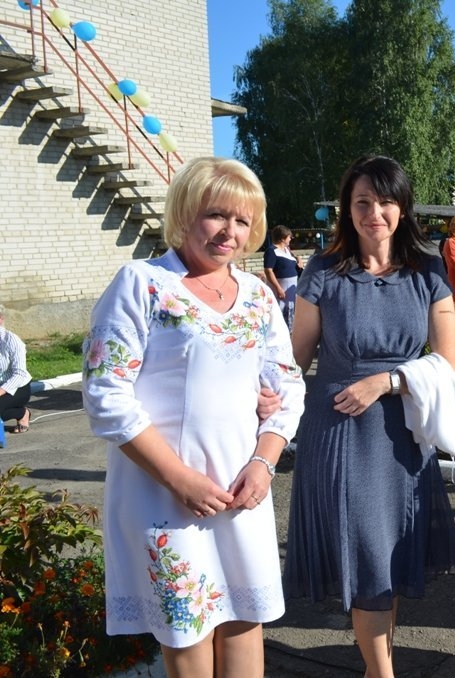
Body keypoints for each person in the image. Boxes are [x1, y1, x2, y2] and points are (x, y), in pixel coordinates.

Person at [81, 157, 306, 675]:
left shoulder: (257, 297)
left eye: (243, 220)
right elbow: (106, 394)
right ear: (185, 212)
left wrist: (265, 463)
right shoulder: (142, 283)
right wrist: (180, 479)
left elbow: (288, 386)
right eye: (217, 215)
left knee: (245, 621)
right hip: (165, 496)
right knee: (187, 629)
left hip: (242, 489)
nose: (230, 232)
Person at [284, 155, 455, 678]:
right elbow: (296, 358)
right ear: (347, 208)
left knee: (390, 553)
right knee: (366, 556)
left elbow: (447, 359)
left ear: (402, 208)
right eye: (362, 202)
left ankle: (375, 667)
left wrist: (387, 382)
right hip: (341, 429)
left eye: (385, 201)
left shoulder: (429, 270)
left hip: (404, 430)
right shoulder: (322, 270)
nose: (374, 213)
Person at [0, 304, 32, 439]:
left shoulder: (11, 340)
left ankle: (22, 413)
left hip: (18, 387)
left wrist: (1, 391)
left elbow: (19, 374)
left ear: (1, 319)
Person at [263, 224, 302, 328]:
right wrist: (278, 288)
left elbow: (294, 266)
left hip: (291, 291)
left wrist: (298, 261)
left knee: (290, 313)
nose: (291, 239)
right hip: (281, 291)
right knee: (279, 314)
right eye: (289, 237)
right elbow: (268, 270)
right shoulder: (271, 251)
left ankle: (289, 332)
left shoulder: (287, 251)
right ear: (282, 238)